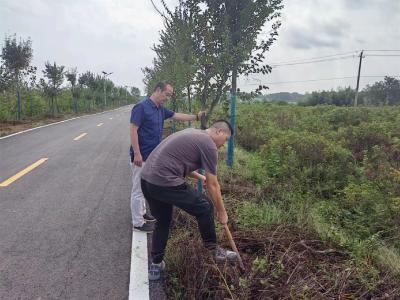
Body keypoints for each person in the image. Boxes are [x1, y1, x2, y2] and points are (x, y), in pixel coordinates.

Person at [140, 120, 238, 281]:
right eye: (226, 139)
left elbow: (179, 161)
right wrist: (222, 212)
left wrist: (200, 176)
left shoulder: (193, 133)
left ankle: (156, 265)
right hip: (164, 182)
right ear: (219, 131)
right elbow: (213, 185)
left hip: (147, 181)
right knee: (205, 206)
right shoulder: (209, 145)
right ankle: (213, 250)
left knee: (163, 222)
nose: (224, 144)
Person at [130, 81, 205, 232]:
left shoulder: (160, 109)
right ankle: (137, 222)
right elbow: (133, 130)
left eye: (170, 96)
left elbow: (177, 116)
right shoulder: (141, 107)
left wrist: (196, 117)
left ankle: (143, 213)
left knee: (145, 187)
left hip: (152, 157)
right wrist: (137, 153)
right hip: (141, 156)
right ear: (158, 90)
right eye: (167, 94)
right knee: (138, 189)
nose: (167, 98)